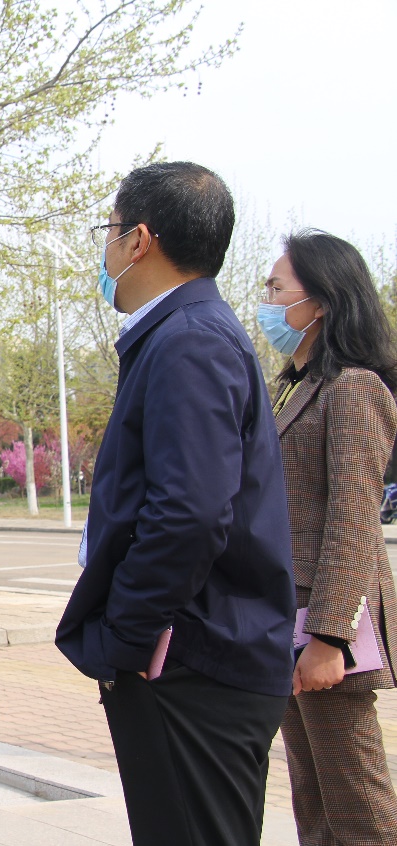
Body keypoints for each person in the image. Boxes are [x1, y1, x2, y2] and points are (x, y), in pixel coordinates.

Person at [54, 161, 296, 846]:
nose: (104, 248)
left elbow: (188, 514)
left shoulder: (189, 341)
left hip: (189, 666)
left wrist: (125, 637)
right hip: (192, 659)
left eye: (108, 230)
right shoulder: (184, 333)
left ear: (138, 240)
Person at [260, 229, 397, 845]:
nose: (266, 301)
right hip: (288, 617)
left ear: (319, 300)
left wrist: (329, 638)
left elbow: (353, 520)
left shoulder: (354, 388)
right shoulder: (295, 386)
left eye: (276, 288)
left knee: (356, 805)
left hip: (327, 627)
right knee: (312, 797)